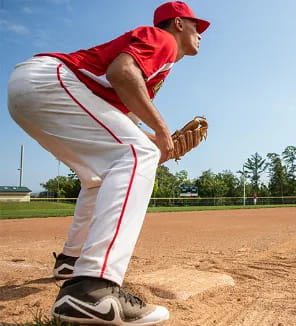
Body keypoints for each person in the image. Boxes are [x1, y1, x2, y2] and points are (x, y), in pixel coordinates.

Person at [7, 2, 210, 325]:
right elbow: (122, 72)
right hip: (51, 83)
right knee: (136, 155)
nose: (200, 33)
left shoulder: (157, 67)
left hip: (36, 90)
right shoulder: (163, 41)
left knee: (103, 174)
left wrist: (158, 144)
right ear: (178, 24)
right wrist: (160, 131)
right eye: (195, 25)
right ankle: (93, 288)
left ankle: (71, 262)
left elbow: (122, 120)